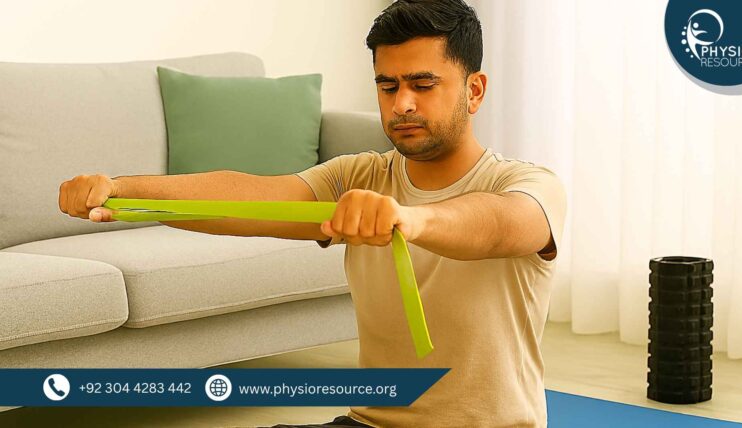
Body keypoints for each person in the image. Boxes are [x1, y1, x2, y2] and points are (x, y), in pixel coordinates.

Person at [58, 0, 566, 426]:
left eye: (423, 84)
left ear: (474, 90)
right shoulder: (357, 176)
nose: (402, 103)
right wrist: (119, 188)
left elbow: (499, 225)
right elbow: (247, 195)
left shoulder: (527, 185)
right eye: (388, 87)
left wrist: (413, 220)